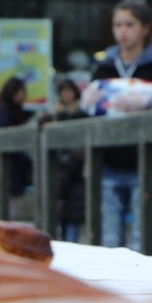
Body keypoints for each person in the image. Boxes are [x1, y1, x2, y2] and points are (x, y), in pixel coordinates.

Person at [86, 0, 152, 254]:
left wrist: (150, 101)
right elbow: (89, 112)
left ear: (145, 28)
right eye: (117, 25)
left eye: (129, 24)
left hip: (147, 162)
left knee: (142, 244)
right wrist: (87, 103)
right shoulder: (104, 65)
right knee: (107, 240)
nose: (122, 31)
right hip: (108, 161)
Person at [51, 77, 87, 241]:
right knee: (59, 217)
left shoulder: (82, 113)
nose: (66, 94)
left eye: (69, 90)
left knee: (73, 218)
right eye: (63, 91)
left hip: (76, 173)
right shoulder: (54, 114)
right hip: (58, 170)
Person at [0, 76, 33, 199]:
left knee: (10, 199)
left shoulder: (10, 109)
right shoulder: (4, 110)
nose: (23, 95)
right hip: (9, 161)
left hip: (12, 161)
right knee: (8, 197)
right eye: (20, 91)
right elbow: (4, 135)